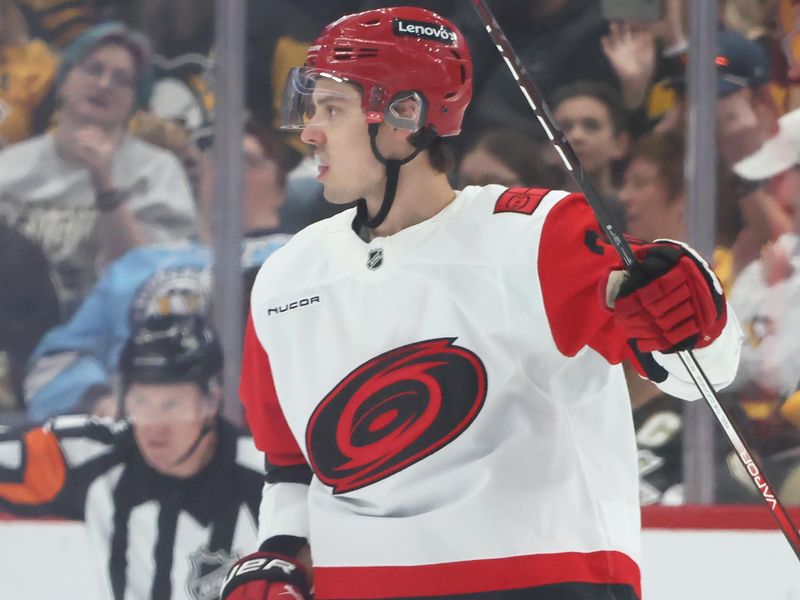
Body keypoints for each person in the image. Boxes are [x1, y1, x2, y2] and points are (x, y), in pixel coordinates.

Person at [226, 7, 742, 600]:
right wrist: (278, 553)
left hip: (542, 583)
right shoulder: (288, 275)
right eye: (311, 108)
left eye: (332, 109)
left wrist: (693, 306)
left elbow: (701, 372)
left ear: (406, 115)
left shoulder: (538, 234)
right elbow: (289, 463)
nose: (309, 131)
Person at [24, 121, 293, 421]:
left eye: (248, 161)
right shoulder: (141, 265)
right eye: (218, 160)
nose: (231, 171)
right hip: (139, 434)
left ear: (281, 188)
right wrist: (101, 403)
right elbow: (54, 364)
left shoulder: (297, 256)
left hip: (254, 434)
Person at [0, 314, 263, 600]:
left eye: (171, 405)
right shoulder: (95, 457)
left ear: (211, 401)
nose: (154, 425)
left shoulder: (267, 476)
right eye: (141, 403)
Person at [0, 22, 197, 318]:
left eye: (122, 79)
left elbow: (151, 279)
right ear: (64, 81)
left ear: (134, 100)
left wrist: (103, 180)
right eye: (94, 69)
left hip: (112, 333)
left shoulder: (157, 171)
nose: (104, 84)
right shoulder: (10, 167)